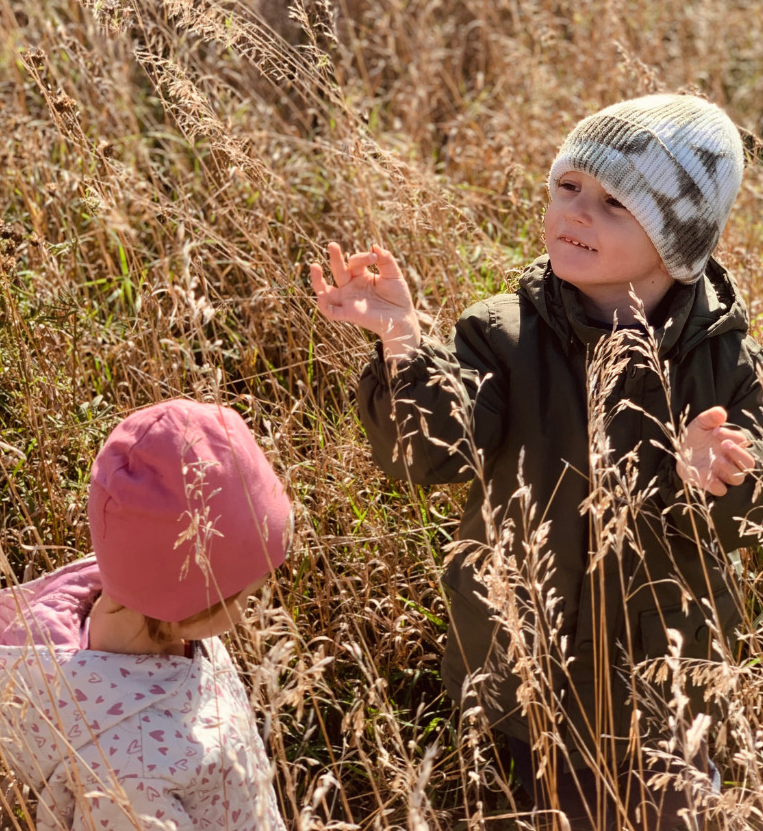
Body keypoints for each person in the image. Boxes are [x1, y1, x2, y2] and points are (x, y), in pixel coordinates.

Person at [310, 93, 763, 829]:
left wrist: (722, 472)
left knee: (671, 810)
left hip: (668, 681)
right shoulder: (502, 336)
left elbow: (753, 514)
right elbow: (431, 455)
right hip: (524, 672)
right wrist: (402, 343)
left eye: (615, 202)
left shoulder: (731, 366)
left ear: (678, 239)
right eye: (568, 186)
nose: (575, 212)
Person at [0, 397, 293, 831]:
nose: (250, 610)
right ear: (186, 607)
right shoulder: (126, 773)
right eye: (245, 596)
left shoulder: (159, 607)